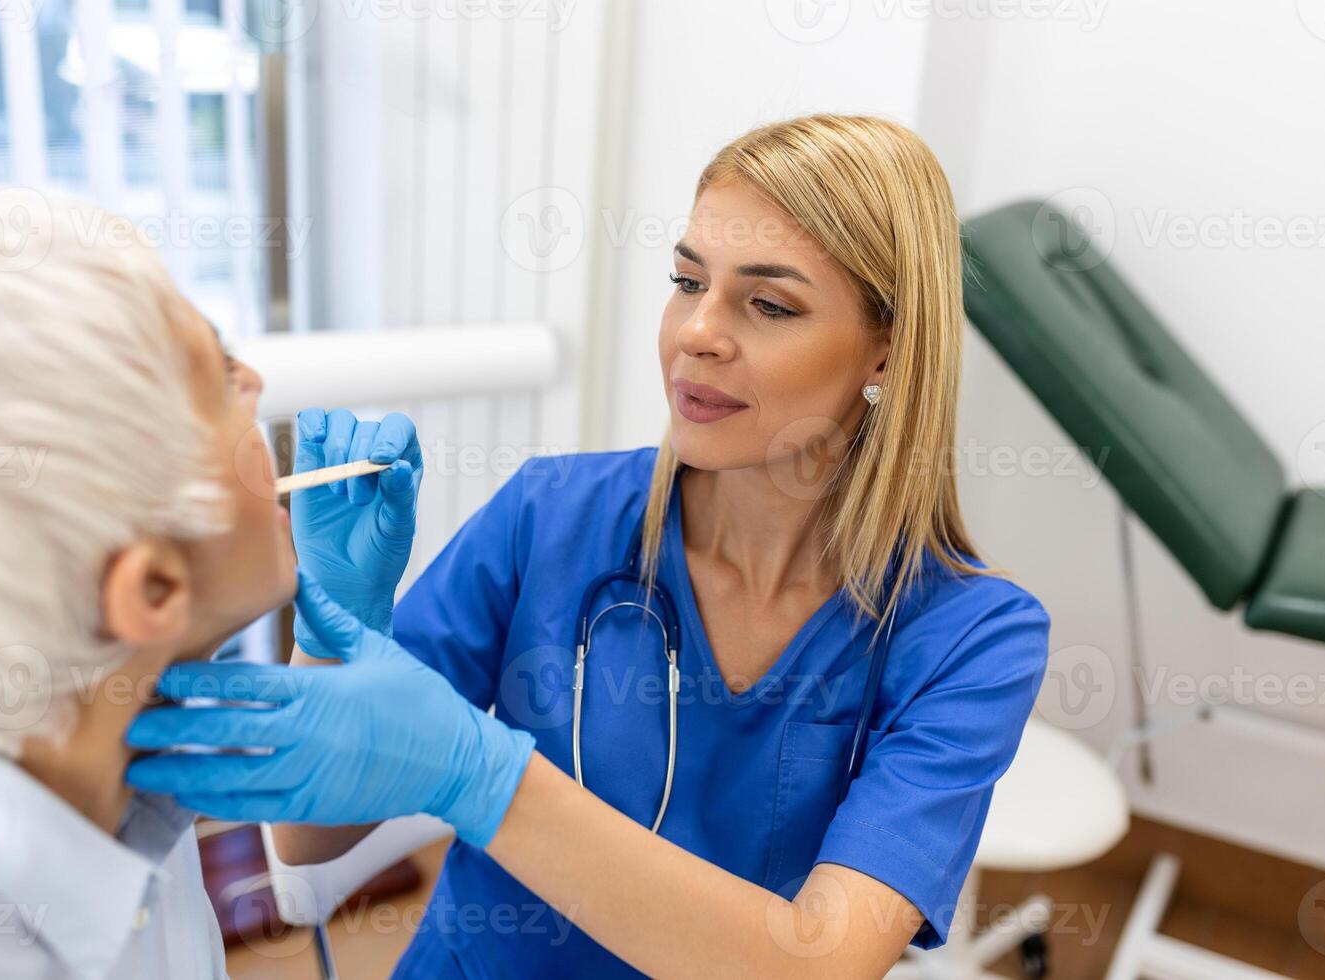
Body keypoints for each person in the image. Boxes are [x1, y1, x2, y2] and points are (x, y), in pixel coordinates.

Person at [126, 114, 1052, 978]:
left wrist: (480, 774)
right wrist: (338, 642)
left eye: (767, 306)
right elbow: (311, 841)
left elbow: (817, 961)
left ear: (887, 349)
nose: (697, 334)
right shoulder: (551, 517)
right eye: (689, 283)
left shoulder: (974, 638)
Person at [0, 188, 420, 978]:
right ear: (153, 590)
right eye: (217, 377)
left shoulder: (94, 724)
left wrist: (338, 629)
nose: (256, 381)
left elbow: (307, 815)